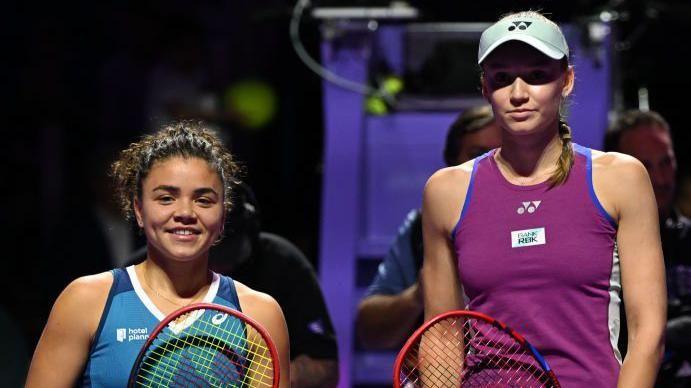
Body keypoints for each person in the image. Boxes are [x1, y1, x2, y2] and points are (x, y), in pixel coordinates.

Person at [422, 10, 666, 386]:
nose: (519, 94)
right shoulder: (446, 192)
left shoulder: (621, 179)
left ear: (566, 80)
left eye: (537, 76)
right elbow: (441, 334)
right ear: (485, 88)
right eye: (502, 78)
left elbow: (647, 334)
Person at [25, 122, 291, 387]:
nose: (185, 213)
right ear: (139, 211)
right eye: (166, 198)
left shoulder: (260, 315)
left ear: (223, 215)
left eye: (204, 200)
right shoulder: (85, 302)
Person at [355, 105, 501, 349]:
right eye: (477, 154)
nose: (489, 165)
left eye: (500, 154)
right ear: (452, 163)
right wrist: (418, 294)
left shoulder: (537, 220)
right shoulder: (420, 228)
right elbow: (369, 331)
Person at [209, 182, 339, 387]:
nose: (220, 268)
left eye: (227, 253)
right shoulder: (144, 272)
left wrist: (264, 377)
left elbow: (326, 365)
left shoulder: (284, 263)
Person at [605, 110, 691, 385]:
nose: (661, 179)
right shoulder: (598, 251)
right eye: (645, 166)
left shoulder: (688, 238)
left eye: (666, 162)